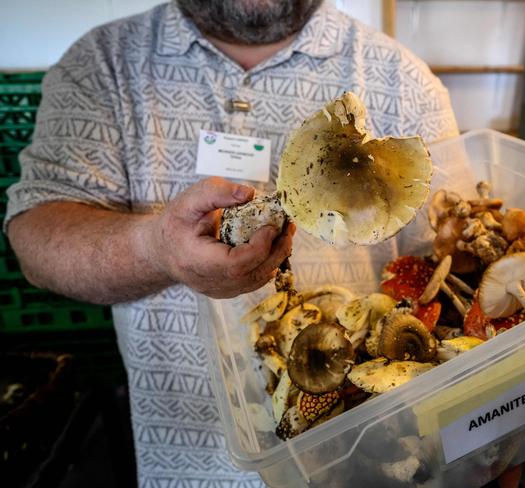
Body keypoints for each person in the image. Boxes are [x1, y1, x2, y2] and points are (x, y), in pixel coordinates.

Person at [4, 1, 459, 486]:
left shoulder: (403, 77)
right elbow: (37, 237)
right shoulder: (103, 63)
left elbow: (448, 266)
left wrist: (477, 429)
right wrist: (155, 249)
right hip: (187, 460)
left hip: (364, 454)